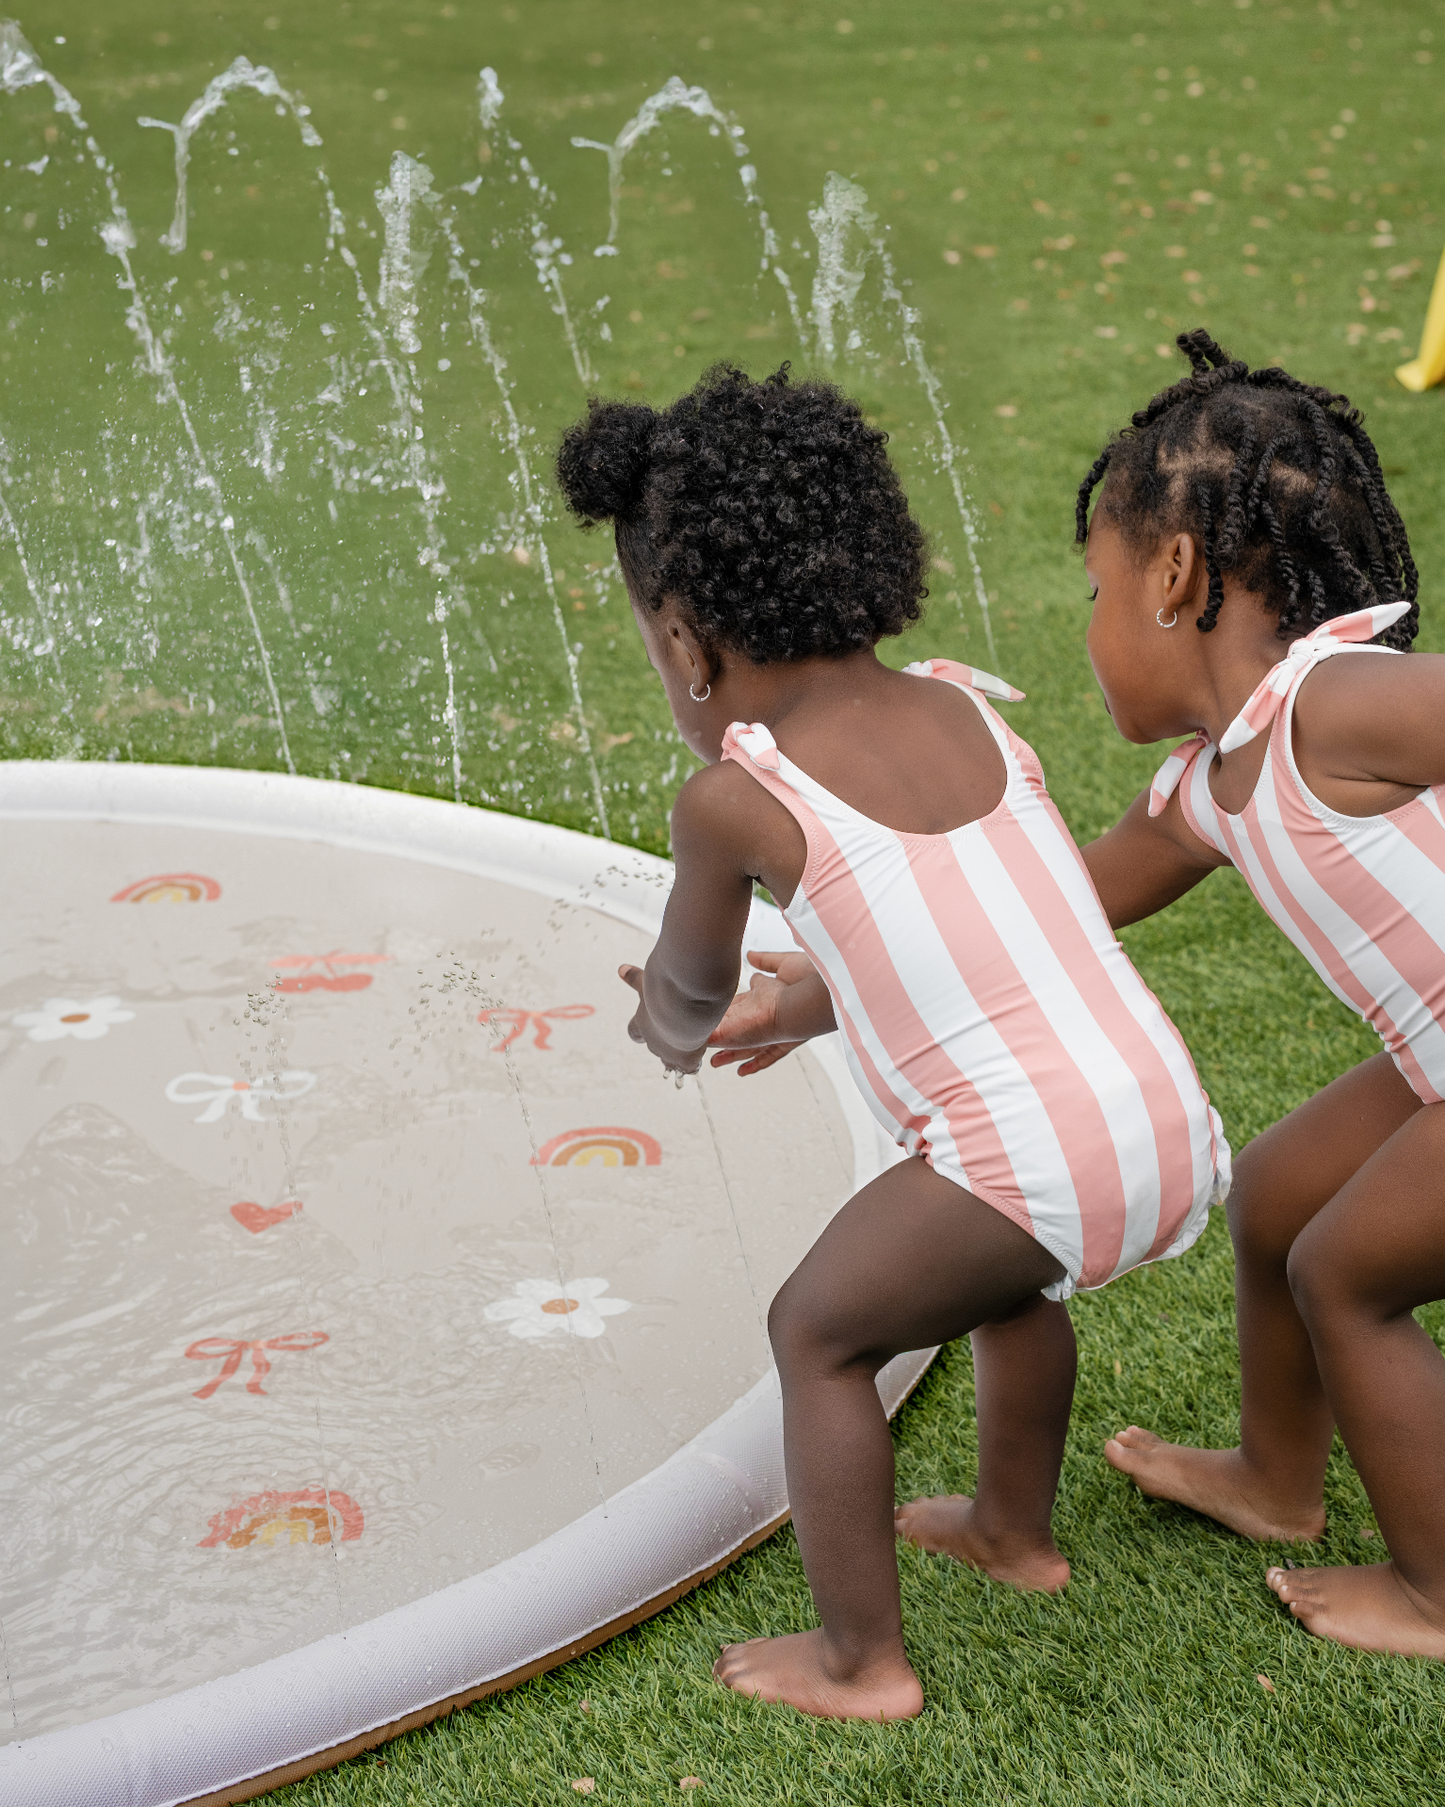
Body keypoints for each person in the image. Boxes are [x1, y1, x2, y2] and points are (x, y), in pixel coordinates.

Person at [555, 363, 1228, 1720]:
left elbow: (687, 985)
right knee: (1005, 1285)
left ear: (684, 640)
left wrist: (671, 1020)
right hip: (1161, 1117)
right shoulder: (956, 704)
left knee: (819, 1329)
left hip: (1024, 1151)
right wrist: (806, 998)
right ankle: (1010, 1530)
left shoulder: (737, 800)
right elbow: (966, 919)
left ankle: (862, 1660)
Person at [1072, 329, 1445, 1660]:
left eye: (1099, 593)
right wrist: (826, 973)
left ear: (1175, 574)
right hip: (1433, 1048)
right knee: (1283, 1187)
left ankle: (1438, 1585)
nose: (1093, 633)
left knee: (1347, 1270)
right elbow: (1044, 907)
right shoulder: (1209, 784)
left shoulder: (1331, 703)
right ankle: (1280, 1483)